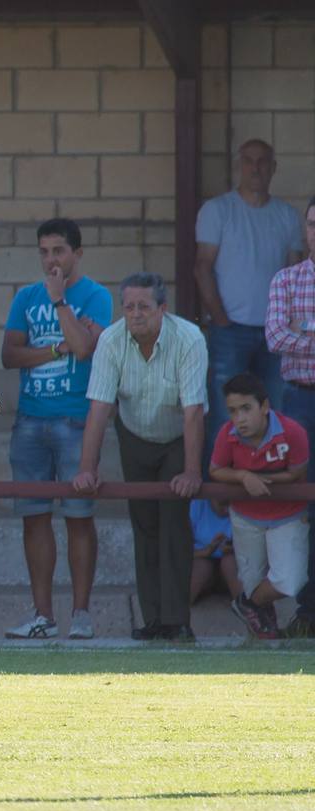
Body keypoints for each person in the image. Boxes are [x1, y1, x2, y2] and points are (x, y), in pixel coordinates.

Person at [73, 274, 208, 642]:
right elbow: (99, 409)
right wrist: (87, 469)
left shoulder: (189, 340)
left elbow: (194, 411)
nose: (135, 315)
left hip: (179, 434)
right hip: (134, 435)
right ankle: (153, 621)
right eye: (129, 307)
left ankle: (177, 621)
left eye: (144, 307)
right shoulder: (111, 342)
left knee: (175, 523)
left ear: (163, 309)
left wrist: (193, 471)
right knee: (144, 525)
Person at [2, 218, 112, 639]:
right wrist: (53, 347)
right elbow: (10, 355)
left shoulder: (96, 296)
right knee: (34, 518)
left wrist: (60, 302)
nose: (51, 260)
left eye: (59, 251)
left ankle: (81, 614)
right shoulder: (25, 297)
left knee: (79, 517)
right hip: (30, 419)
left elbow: (86, 350)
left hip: (76, 419)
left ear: (77, 253)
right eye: (44, 252)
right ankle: (42, 616)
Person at [198, 140, 305, 433]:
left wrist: (289, 324)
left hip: (276, 335)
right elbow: (202, 267)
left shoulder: (288, 215)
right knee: (225, 416)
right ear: (238, 166)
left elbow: (296, 273)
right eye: (248, 160)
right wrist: (221, 320)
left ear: (273, 168)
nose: (255, 167)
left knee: (277, 414)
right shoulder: (217, 210)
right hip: (229, 332)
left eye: (262, 161)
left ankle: (275, 477)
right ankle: (221, 479)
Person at [208, 373, 305, 640]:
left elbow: (298, 472)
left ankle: (246, 605)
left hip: (288, 516)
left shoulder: (292, 431)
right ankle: (264, 643)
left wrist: (265, 480)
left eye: (246, 408)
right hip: (245, 518)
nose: (239, 418)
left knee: (290, 580)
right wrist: (242, 476)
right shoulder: (226, 434)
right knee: (252, 582)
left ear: (264, 406)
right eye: (232, 411)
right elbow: (215, 470)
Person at [262, 202, 315, 637]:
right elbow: (276, 336)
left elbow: (292, 333)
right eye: (314, 225)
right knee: (302, 503)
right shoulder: (287, 279)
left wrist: (306, 328)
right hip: (299, 403)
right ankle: (307, 608)